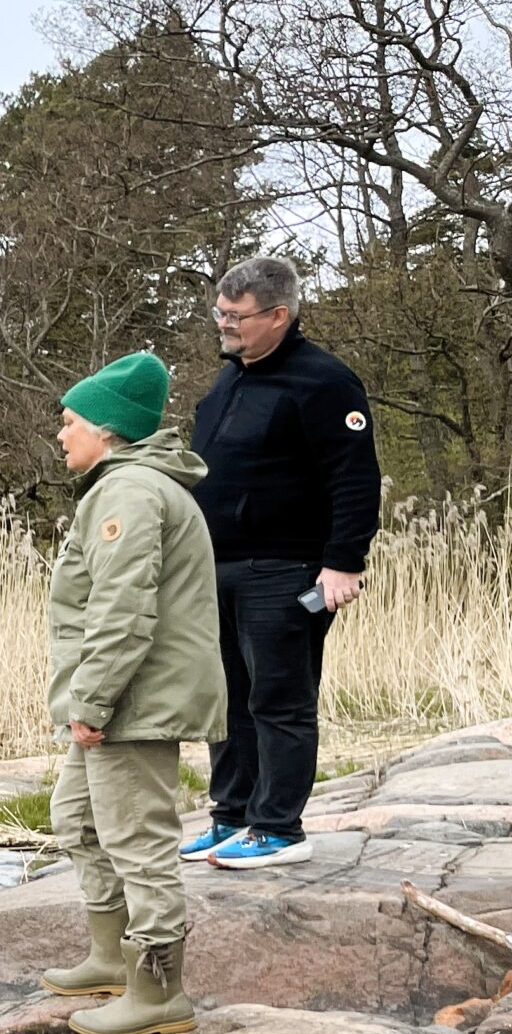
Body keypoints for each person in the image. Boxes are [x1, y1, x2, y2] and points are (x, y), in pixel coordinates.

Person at [41, 354, 229, 1034]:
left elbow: (123, 610)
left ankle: (157, 989)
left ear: (107, 428)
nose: (61, 435)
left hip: (133, 702)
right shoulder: (121, 490)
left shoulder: (129, 494)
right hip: (118, 700)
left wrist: (91, 701)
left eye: (69, 422)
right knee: (79, 818)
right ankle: (108, 957)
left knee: (137, 839)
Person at [186, 254, 379, 870]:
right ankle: (232, 815)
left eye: (236, 315)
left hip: (286, 570)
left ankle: (279, 828)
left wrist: (343, 563)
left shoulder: (325, 381)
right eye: (219, 311)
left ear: (278, 315)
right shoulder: (229, 380)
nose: (223, 324)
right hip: (216, 568)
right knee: (227, 699)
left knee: (278, 698)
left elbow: (355, 478)